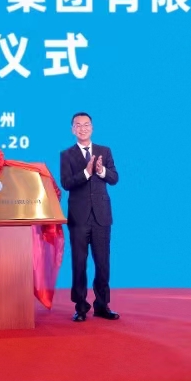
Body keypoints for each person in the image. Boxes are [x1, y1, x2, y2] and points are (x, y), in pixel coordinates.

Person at [59, 112, 120, 322]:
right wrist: (86, 172)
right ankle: (81, 307)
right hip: (79, 217)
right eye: (78, 125)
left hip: (101, 216)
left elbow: (114, 178)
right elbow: (66, 183)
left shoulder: (105, 151)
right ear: (72, 129)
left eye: (86, 125)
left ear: (92, 128)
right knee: (79, 263)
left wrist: (101, 171)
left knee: (103, 263)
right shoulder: (66, 155)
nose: (82, 128)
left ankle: (102, 306)